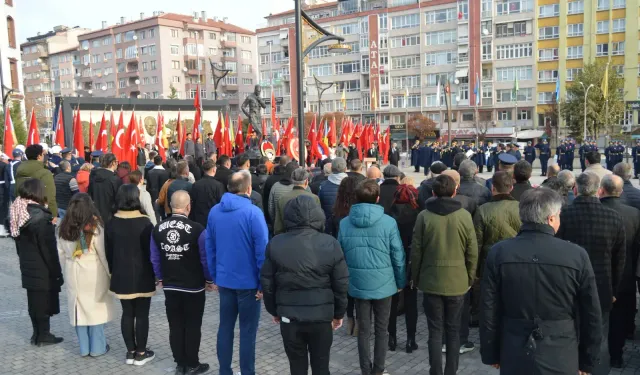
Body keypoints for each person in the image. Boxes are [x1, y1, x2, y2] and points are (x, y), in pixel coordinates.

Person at [480, 188, 602, 375]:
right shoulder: (576, 255)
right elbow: (591, 313)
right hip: (562, 350)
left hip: (514, 348)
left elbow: (489, 308)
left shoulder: (499, 252)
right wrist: (588, 360)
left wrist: (491, 352)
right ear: (551, 218)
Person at [261, 195, 349, 375]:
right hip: (321, 317)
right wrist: (339, 313)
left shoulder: (276, 243)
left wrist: (274, 310)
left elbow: (268, 282)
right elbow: (341, 284)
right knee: (321, 365)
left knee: (297, 366)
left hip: (290, 316)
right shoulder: (330, 243)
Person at [557, 172, 626, 375]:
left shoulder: (563, 215)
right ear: (598, 190)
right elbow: (619, 260)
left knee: (569, 336)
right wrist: (614, 289)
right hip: (601, 288)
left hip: (568, 287)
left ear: (575, 189)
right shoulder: (613, 218)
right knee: (599, 337)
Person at [338, 179, 405, 375]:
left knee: (364, 330)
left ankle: (365, 370)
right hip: (384, 283)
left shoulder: (345, 223)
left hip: (358, 283)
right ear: (377, 198)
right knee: (381, 330)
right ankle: (378, 370)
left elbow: (339, 255)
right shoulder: (389, 222)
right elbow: (398, 254)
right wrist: (400, 281)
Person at [412, 175, 478, 375]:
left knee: (434, 331)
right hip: (457, 282)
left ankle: (436, 371)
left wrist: (415, 277)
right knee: (453, 329)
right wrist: (470, 277)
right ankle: (451, 371)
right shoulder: (464, 216)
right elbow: (472, 250)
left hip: (431, 281)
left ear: (433, 193)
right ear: (455, 191)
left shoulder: (424, 216)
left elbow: (416, 250)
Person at [206, 170, 269, 375]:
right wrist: (263, 283)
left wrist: (215, 276)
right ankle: (247, 371)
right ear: (248, 188)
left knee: (225, 327)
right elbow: (262, 252)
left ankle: (225, 371)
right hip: (249, 283)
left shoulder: (215, 212)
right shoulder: (253, 213)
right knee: (247, 332)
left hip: (225, 280)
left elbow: (210, 247)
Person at [151, 191, 213, 375]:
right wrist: (209, 279)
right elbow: (205, 258)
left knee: (175, 324)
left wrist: (160, 277)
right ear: (188, 206)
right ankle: (192, 363)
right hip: (193, 286)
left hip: (170, 284)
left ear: (169, 206)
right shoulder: (198, 229)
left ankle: (180, 363)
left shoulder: (158, 228)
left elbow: (154, 257)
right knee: (193, 325)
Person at [105, 184, 156, 366]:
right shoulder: (145, 222)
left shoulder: (112, 222)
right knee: (142, 314)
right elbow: (152, 253)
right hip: (143, 274)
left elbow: (107, 252)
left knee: (127, 313)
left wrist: (112, 271)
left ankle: (130, 351)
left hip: (121, 273)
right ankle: (141, 353)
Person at [57, 193, 114, 357]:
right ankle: (98, 347)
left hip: (72, 269)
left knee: (78, 309)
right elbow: (102, 254)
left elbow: (60, 253)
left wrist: (65, 270)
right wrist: (110, 274)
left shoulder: (62, 226)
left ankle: (84, 348)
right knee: (95, 309)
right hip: (93, 272)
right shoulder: (95, 227)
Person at [10, 178, 64, 346]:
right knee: (43, 302)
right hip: (42, 268)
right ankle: (44, 336)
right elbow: (49, 251)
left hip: (27, 265)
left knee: (33, 301)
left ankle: (36, 334)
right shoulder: (40, 217)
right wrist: (57, 273)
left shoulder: (19, 211)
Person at [598, 175, 640, 368]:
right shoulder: (634, 214)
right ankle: (616, 355)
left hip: (599, 275)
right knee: (620, 318)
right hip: (626, 274)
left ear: (602, 190)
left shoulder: (596, 211)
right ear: (621, 192)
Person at [471, 171, 521, 327]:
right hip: (515, 260)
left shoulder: (483, 210)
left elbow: (476, 243)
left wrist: (475, 270)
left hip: (489, 261)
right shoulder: (520, 208)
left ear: (493, 188)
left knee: (490, 299)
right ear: (511, 187)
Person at [387, 180, 420, 354]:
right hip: (411, 262)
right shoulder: (418, 214)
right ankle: (410, 339)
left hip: (392, 263)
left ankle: (391, 338)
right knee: (411, 302)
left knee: (392, 302)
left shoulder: (389, 215)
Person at [331, 176, 360, 335]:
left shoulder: (337, 209)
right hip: (356, 250)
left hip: (340, 252)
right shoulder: (357, 210)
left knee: (345, 288)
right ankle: (359, 322)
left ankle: (350, 319)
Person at [15, 144, 58, 222]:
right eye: (43, 154)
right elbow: (50, 196)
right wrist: (54, 214)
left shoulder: (19, 170)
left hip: (21, 211)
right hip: (40, 213)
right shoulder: (45, 173)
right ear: (39, 156)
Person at [274, 168, 319, 235]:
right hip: (310, 238)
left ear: (292, 181)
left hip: (288, 237)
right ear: (306, 181)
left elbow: (278, 227)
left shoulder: (282, 199)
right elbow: (318, 222)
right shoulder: (314, 198)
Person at [317, 157, 348, 235]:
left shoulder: (323, 186)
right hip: (347, 225)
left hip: (328, 225)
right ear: (345, 169)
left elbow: (319, 205)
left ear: (332, 169)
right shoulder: (352, 184)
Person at [88, 153, 123, 223]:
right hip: (111, 215)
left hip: (96, 214)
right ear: (113, 163)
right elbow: (120, 199)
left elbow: (90, 194)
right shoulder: (114, 179)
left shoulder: (93, 176)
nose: (117, 164)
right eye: (117, 161)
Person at [189, 160, 224, 227]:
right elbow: (220, 203)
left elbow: (193, 202)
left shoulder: (196, 185)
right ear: (214, 169)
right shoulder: (218, 185)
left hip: (199, 220)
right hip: (214, 219)